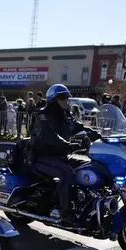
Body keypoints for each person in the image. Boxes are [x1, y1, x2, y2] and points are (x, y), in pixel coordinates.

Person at [30, 84, 88, 224]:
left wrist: (99, 136)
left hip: (60, 156)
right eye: (62, 97)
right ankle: (65, 212)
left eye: (66, 98)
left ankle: (81, 202)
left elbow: (78, 127)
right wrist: (68, 145)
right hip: (41, 157)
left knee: (88, 166)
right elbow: (50, 136)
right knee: (66, 172)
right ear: (53, 99)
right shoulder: (42, 116)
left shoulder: (65, 115)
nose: (65, 101)